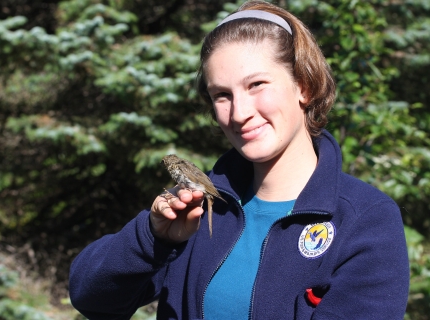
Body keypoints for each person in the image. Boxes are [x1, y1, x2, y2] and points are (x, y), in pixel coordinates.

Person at [69, 1, 409, 319]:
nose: (240, 113)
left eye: (257, 84)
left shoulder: (364, 220)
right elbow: (91, 299)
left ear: (303, 86)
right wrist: (153, 240)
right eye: (222, 95)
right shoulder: (199, 205)